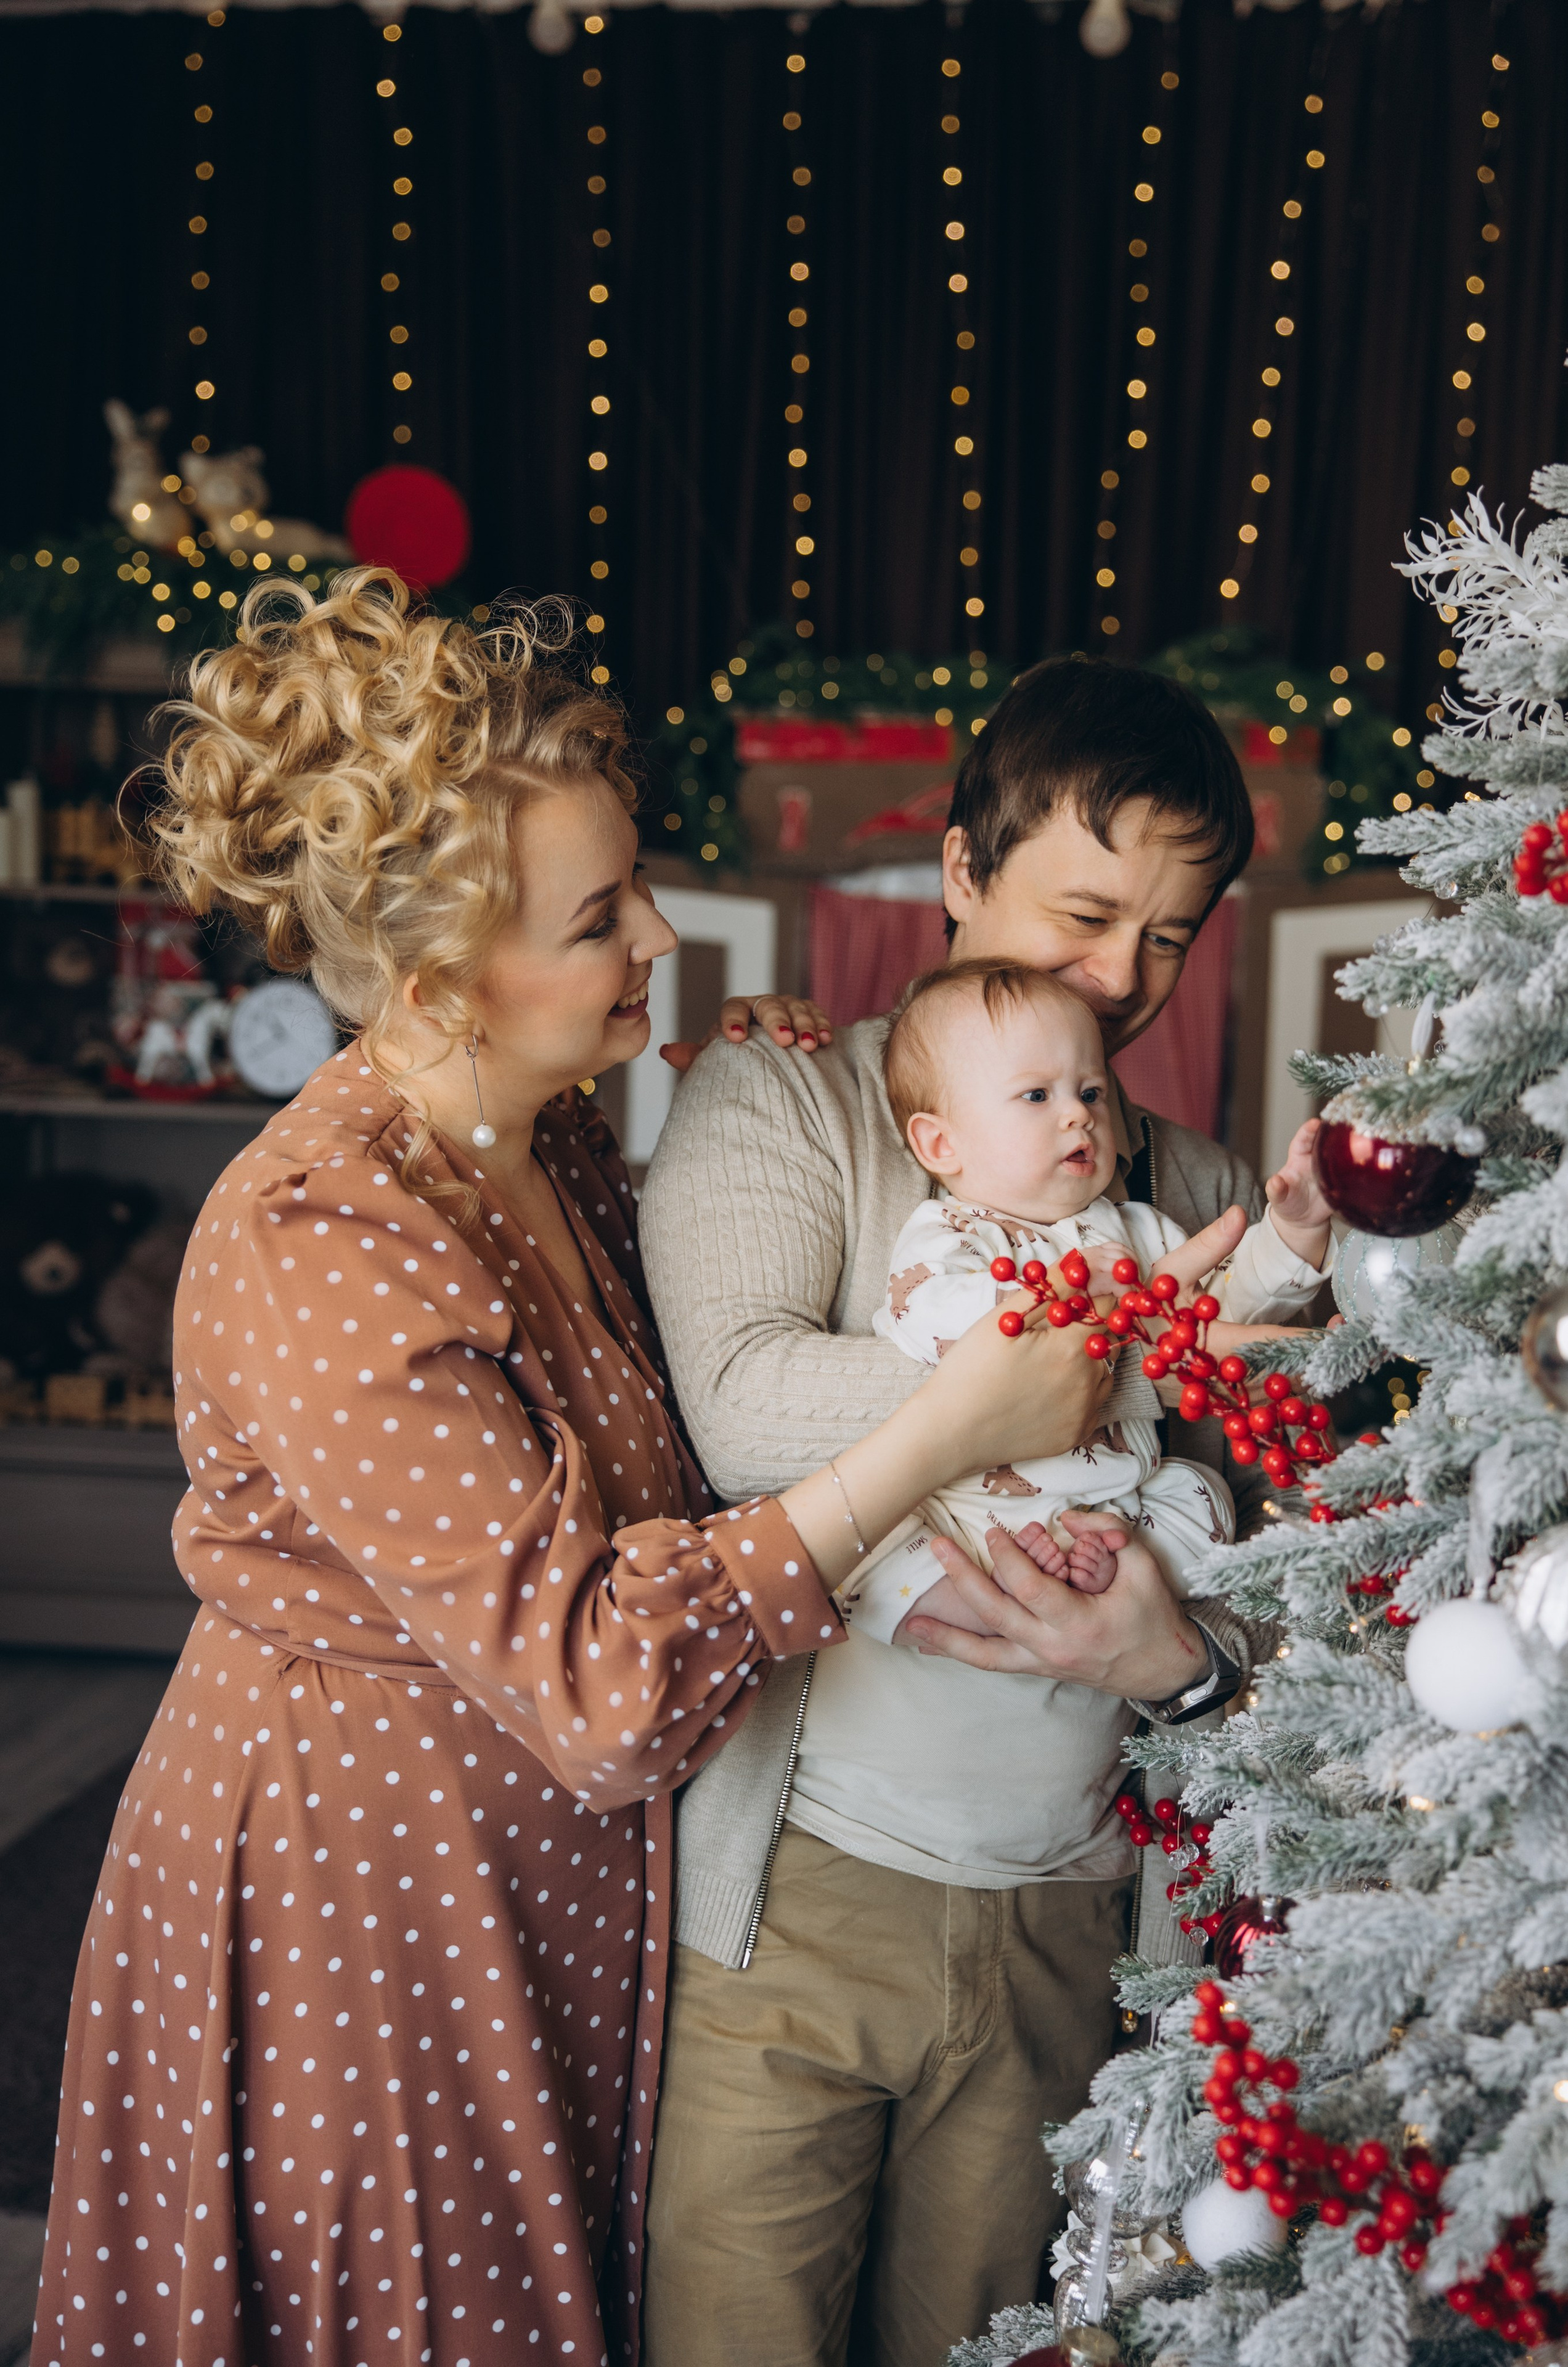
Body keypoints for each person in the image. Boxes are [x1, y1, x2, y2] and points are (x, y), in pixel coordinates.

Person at [31, 580, 1121, 2367]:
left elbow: (678, 1457)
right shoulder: (322, 1231)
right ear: (441, 977)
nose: (659, 934)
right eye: (602, 915)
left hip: (539, 1890)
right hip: (364, 1908)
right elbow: (607, 1682)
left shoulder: (555, 1142)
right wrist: (948, 1426)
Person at [638, 656, 1288, 2367]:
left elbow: (1305, 1559)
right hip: (797, 1893)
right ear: (958, 871)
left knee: (988, 2340)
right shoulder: (784, 1097)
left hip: (1070, 1900)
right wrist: (1085, 1371)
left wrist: (1184, 1654)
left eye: (1169, 935)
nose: (1122, 979)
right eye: (1084, 914)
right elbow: (739, 1409)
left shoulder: (1196, 1190)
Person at [849, 956, 1333, 1650]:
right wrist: (1067, 1293)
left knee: (1206, 1500)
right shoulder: (950, 1232)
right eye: (1036, 1096)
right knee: (866, 1551)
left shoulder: (1137, 1229)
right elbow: (931, 1320)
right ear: (941, 1142)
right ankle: (992, 1603)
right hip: (971, 1513)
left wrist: (1291, 1237)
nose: (1079, 1113)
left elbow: (1215, 1321)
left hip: (1114, 1504)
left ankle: (1101, 1571)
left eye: (1092, 1092)